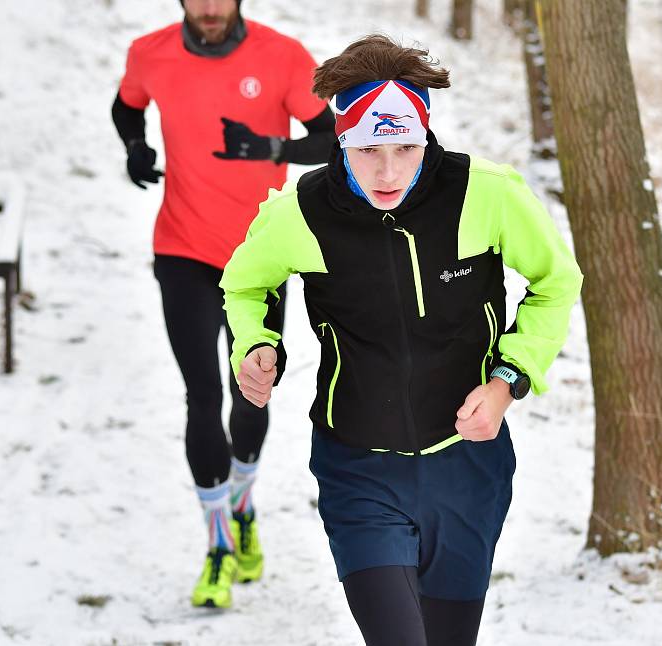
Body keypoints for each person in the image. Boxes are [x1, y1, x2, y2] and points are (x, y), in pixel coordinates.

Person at [220, 35, 583, 645]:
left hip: (468, 468)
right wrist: (255, 345)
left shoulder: (484, 193)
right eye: (368, 150)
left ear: (426, 135)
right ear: (342, 139)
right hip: (357, 466)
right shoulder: (301, 211)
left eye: (406, 147)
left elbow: (556, 280)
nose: (389, 171)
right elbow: (245, 285)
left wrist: (508, 381)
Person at [111, 0, 335, 608]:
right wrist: (135, 146)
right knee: (202, 395)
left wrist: (270, 147)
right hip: (181, 248)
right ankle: (217, 546)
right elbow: (126, 105)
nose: (210, 9)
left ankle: (242, 506)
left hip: (259, 258)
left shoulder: (282, 56)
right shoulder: (150, 53)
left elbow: (334, 136)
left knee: (250, 390)